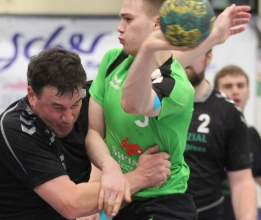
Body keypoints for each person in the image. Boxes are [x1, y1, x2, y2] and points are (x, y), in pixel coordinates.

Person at [84, 0, 252, 219]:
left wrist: (149, 47)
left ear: (157, 23)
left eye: (128, 19)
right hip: (122, 198)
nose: (120, 26)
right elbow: (94, 132)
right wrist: (109, 172)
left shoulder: (178, 86)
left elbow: (133, 103)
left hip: (163, 204)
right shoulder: (113, 60)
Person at [0, 47, 172, 220]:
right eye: (57, 107)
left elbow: (146, 90)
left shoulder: (92, 98)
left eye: (75, 104)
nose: (69, 117)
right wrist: (140, 177)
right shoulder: (16, 128)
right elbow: (71, 203)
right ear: (31, 95)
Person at [183, 51, 257, 220]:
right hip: (156, 211)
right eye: (179, 49)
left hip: (208, 211)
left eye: (193, 51)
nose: (185, 57)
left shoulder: (229, 112)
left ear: (208, 57)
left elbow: (242, 181)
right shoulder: (150, 102)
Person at [214, 65, 261, 220]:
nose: (235, 91)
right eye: (228, 86)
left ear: (248, 93)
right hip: (205, 212)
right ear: (215, 93)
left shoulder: (251, 134)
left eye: (240, 86)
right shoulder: (201, 131)